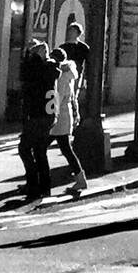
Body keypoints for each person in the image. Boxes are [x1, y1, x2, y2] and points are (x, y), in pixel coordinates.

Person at [17, 42, 59, 199]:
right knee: (40, 151)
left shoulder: (40, 68)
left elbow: (27, 75)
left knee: (25, 149)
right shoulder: (49, 68)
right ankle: (43, 186)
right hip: (46, 114)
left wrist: (31, 56)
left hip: (37, 114)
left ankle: (34, 184)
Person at [49, 48, 87, 193]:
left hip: (58, 116)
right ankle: (80, 178)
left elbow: (56, 97)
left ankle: (38, 180)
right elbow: (72, 97)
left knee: (40, 147)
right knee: (65, 149)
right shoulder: (68, 75)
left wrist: (51, 115)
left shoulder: (60, 77)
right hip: (66, 114)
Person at [59, 21, 90, 97]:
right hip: (64, 74)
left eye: (73, 31)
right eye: (69, 30)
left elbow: (88, 62)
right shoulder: (63, 47)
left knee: (74, 95)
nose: (70, 32)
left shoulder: (83, 47)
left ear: (78, 33)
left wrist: (86, 77)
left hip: (77, 74)